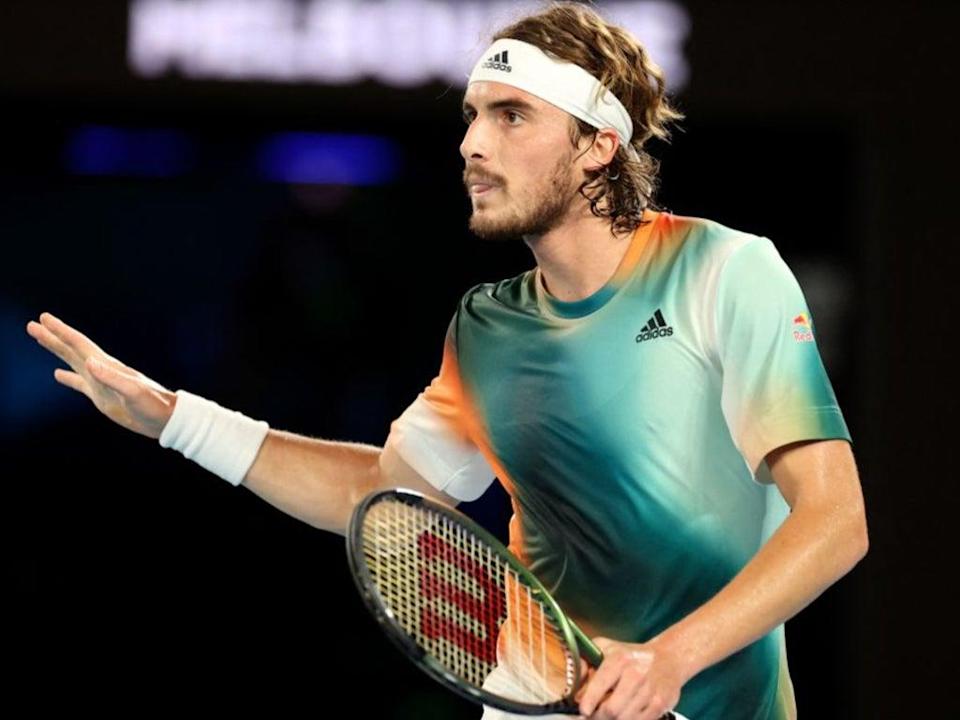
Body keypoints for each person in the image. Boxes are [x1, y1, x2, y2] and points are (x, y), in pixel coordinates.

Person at [26, 3, 867, 719]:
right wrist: (176, 418)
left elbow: (835, 521)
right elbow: (383, 498)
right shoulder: (487, 327)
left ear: (597, 146)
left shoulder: (723, 271)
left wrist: (671, 659)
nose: (471, 143)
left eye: (511, 116)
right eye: (471, 114)